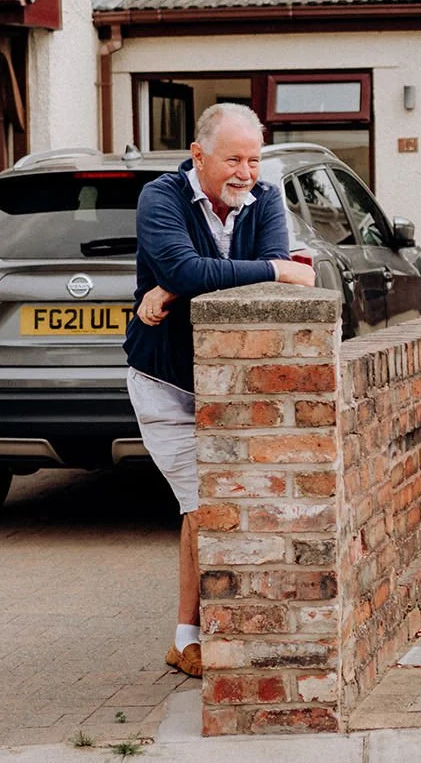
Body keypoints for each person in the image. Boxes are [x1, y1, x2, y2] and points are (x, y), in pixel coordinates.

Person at [126, 103, 314, 677]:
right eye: (233, 158)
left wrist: (177, 288)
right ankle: (188, 638)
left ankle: (204, 632)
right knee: (202, 506)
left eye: (254, 159)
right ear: (198, 154)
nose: (246, 171)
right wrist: (273, 271)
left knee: (227, 503)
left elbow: (197, 274)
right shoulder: (160, 198)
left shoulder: (266, 196)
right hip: (167, 381)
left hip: (236, 385)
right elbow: (202, 269)